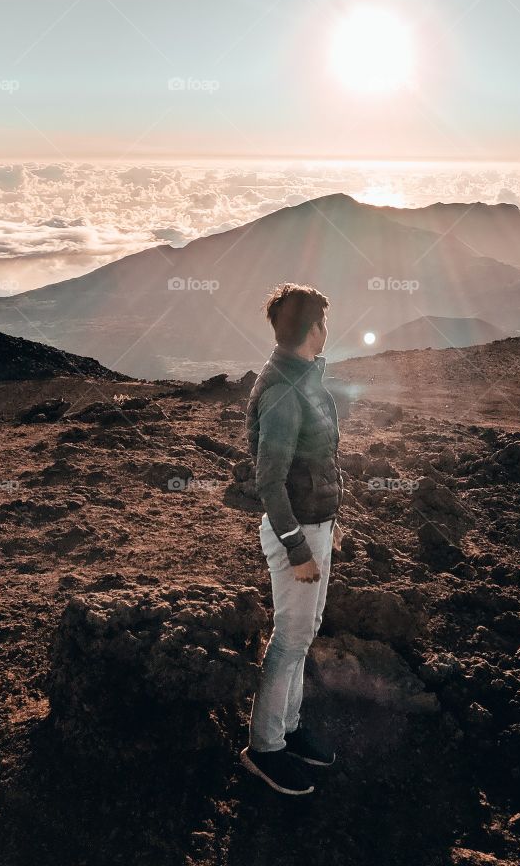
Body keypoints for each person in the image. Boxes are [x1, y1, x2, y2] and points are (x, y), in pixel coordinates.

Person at [240, 283, 345, 795]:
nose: (329, 330)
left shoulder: (302, 375)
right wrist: (299, 547)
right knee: (289, 639)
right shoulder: (283, 391)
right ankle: (265, 748)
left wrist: (328, 524)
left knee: (305, 632)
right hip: (296, 534)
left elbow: (318, 463)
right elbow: (268, 482)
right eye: (324, 322)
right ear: (312, 329)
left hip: (315, 526)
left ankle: (290, 729)